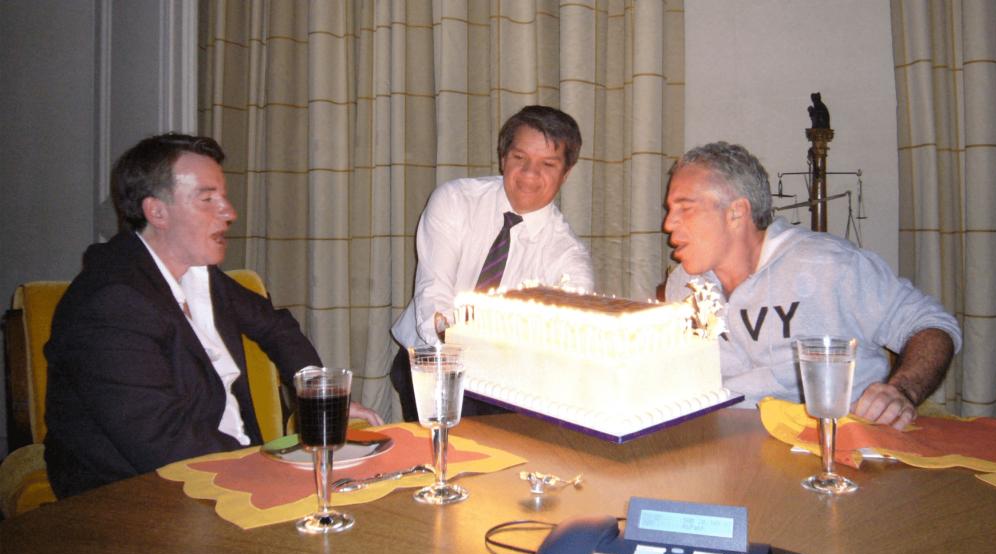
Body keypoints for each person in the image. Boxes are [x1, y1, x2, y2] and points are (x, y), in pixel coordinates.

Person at [44, 133, 381, 498]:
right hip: (139, 500)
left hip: (223, 471)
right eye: (208, 199)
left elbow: (276, 327)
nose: (230, 212)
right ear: (156, 211)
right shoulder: (111, 304)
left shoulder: (197, 275)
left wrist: (321, 397)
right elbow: (163, 441)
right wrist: (271, 472)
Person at [663, 142, 961, 430]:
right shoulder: (684, 286)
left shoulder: (829, 266)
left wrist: (902, 391)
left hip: (833, 442)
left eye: (684, 209)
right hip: (724, 441)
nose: (668, 224)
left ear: (736, 212)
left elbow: (932, 325)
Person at [390, 105, 595, 421]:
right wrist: (454, 363)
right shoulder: (455, 200)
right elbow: (434, 297)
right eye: (519, 158)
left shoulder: (568, 259)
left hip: (509, 386)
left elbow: (562, 344)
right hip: (430, 360)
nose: (529, 173)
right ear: (503, 158)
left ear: (566, 174)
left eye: (548, 164)